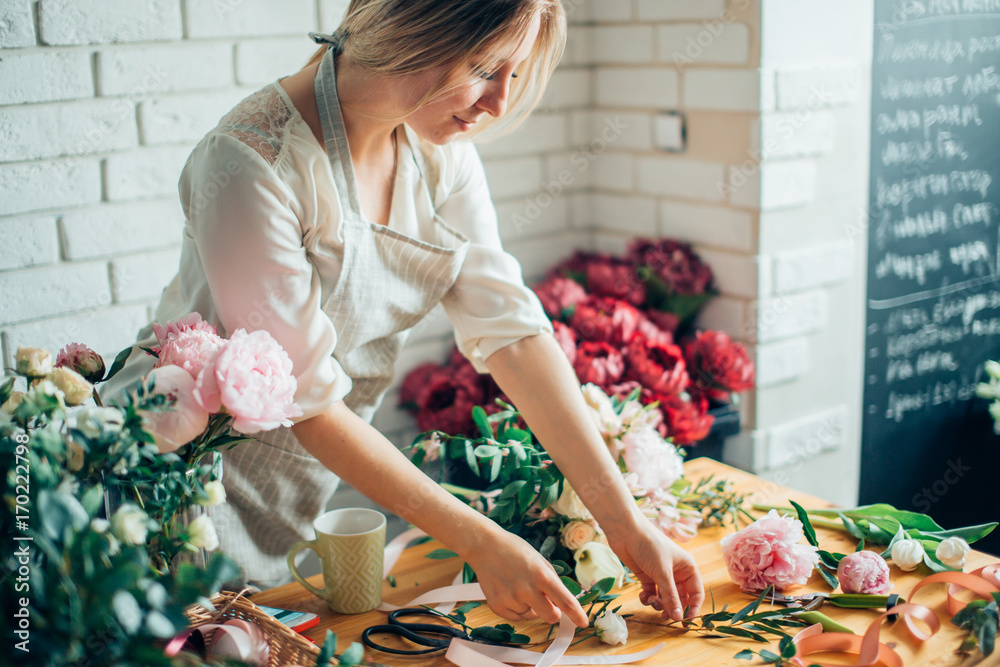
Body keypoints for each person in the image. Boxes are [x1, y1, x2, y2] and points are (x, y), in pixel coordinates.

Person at [101, 0, 704, 627]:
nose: (498, 103)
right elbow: (309, 403)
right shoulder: (250, 162)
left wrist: (628, 525)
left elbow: (514, 336)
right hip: (177, 482)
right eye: (483, 68)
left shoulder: (439, 154)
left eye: (514, 75)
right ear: (412, 27)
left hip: (293, 491)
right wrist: (482, 542)